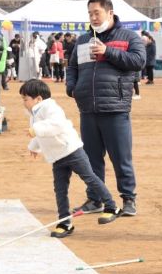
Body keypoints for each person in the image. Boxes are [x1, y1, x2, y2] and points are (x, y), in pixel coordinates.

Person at [65, 0, 146, 222]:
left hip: (115, 108)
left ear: (110, 13)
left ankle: (128, 199)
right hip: (88, 108)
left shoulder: (128, 37)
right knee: (91, 159)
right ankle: (95, 199)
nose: (92, 17)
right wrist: (72, 88)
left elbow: (138, 61)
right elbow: (72, 67)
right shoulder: (82, 40)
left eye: (96, 13)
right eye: (90, 13)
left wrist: (108, 52)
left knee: (121, 157)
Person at [21, 78, 117, 238]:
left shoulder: (50, 107)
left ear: (38, 98)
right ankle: (65, 223)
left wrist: (35, 129)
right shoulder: (35, 113)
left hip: (71, 150)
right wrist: (34, 146)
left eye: (26, 99)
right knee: (60, 190)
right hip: (57, 157)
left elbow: (56, 125)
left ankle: (111, 206)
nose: (24, 102)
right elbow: (42, 135)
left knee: (90, 178)